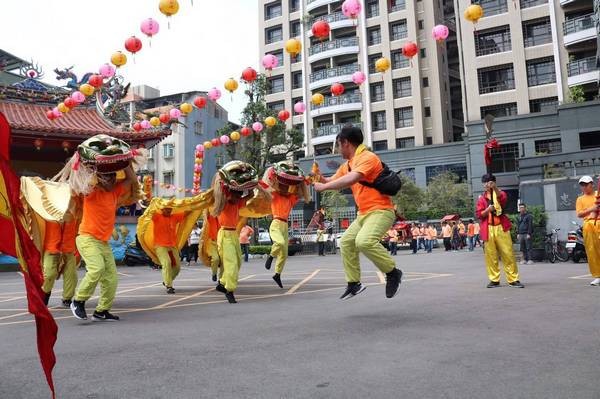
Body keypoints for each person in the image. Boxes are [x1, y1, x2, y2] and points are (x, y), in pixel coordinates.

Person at [314, 125, 402, 299]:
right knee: (346, 242)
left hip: (381, 211)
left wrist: (323, 186)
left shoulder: (368, 157)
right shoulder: (347, 165)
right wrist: (317, 177)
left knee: (364, 242)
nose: (338, 150)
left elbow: (352, 178)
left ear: (346, 143)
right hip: (363, 214)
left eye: (338, 145)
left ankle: (392, 273)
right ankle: (354, 283)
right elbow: (332, 180)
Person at [71, 166, 137, 321]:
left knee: (112, 278)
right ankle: (78, 301)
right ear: (98, 178)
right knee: (97, 269)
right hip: (87, 237)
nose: (108, 180)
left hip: (103, 242)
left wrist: (126, 164)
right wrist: (85, 165)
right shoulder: (90, 190)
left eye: (111, 177)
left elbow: (131, 179)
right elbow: (79, 181)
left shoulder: (115, 192)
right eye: (105, 177)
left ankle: (101, 311)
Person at [212, 161, 268, 303]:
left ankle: (222, 283)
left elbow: (248, 197)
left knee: (237, 262)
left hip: (233, 235)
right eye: (235, 193)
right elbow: (220, 189)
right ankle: (229, 290)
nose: (237, 195)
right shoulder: (222, 202)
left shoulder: (237, 203)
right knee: (231, 263)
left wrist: (254, 186)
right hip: (224, 235)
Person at [262, 161, 310, 288]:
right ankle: (271, 257)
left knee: (284, 253)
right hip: (276, 223)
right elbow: (266, 186)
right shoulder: (274, 195)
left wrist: (305, 180)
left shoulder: (290, 198)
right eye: (282, 185)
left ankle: (277, 274)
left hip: (284, 225)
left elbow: (300, 194)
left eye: (286, 186)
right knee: (280, 243)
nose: (284, 188)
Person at [476, 173, 524, 288]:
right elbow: (479, 214)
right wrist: (488, 210)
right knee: (491, 255)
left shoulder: (499, 193)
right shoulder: (482, 198)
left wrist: (494, 187)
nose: (485, 185)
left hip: (501, 228)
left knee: (508, 253)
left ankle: (513, 279)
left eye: (487, 183)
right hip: (488, 229)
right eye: (484, 183)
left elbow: (502, 198)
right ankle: (494, 279)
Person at [41, 206, 79, 307]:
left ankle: (67, 299)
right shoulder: (46, 206)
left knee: (71, 275)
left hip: (68, 247)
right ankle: (45, 293)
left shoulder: (75, 204)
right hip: (51, 247)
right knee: (49, 273)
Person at [152, 207, 185, 294]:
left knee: (177, 267)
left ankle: (167, 280)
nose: (169, 211)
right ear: (161, 209)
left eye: (170, 209)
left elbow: (187, 211)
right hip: (160, 245)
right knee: (167, 262)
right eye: (166, 209)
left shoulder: (175, 217)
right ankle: (169, 286)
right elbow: (148, 212)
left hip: (172, 246)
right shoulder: (157, 216)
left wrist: (196, 203)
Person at [575, 175, 600, 286]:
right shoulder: (580, 199)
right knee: (592, 251)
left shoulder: (597, 195)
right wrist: (592, 209)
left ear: (592, 184)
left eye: (586, 184)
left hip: (599, 222)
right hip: (588, 225)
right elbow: (579, 214)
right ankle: (597, 275)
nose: (584, 187)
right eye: (582, 185)